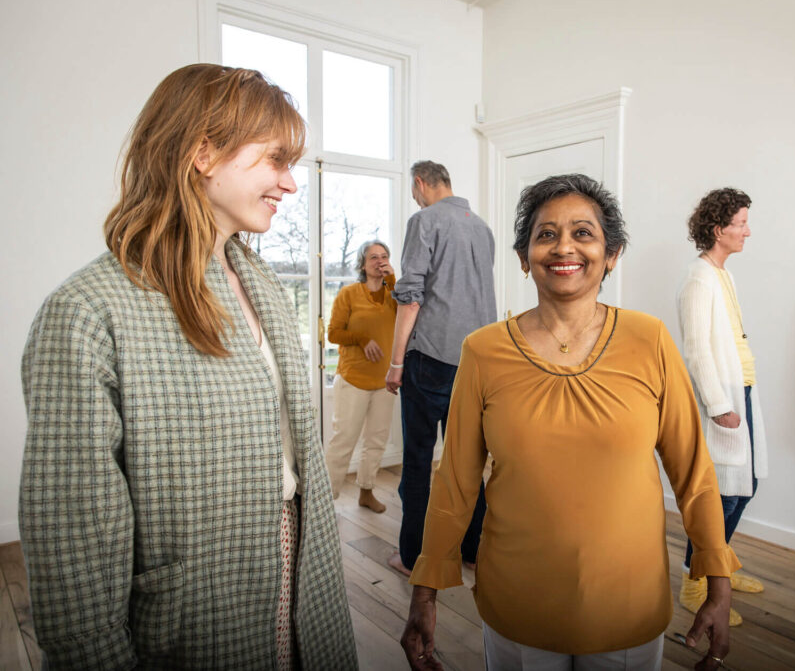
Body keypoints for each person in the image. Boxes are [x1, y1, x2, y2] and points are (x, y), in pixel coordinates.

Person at [18, 64, 358, 670]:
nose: (290, 182)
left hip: (299, 570)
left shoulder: (264, 286)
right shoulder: (88, 313)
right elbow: (73, 543)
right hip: (193, 612)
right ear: (203, 152)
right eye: (276, 160)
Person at [399, 174, 740, 671]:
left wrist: (718, 581)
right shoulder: (483, 350)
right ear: (522, 256)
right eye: (545, 234)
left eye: (583, 233)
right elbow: (454, 482)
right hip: (518, 600)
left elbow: (694, 475)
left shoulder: (650, 339)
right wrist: (424, 592)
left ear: (613, 253)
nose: (564, 247)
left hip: (627, 600)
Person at [384, 160, 496, 576]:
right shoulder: (481, 228)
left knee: (416, 461)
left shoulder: (424, 220)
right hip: (476, 361)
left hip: (430, 359)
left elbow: (411, 296)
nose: (415, 198)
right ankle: (473, 550)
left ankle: (412, 556)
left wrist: (396, 363)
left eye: (414, 192)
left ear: (420, 183)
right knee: (467, 463)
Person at [676, 187, 769, 627]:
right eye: (741, 223)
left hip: (742, 390)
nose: (748, 231)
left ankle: (721, 566)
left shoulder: (723, 275)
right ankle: (696, 581)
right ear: (719, 230)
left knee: (744, 484)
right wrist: (717, 405)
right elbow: (696, 350)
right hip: (723, 399)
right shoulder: (698, 279)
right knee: (721, 495)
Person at [326, 239, 398, 512]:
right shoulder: (349, 294)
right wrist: (362, 338)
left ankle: (366, 491)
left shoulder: (395, 295)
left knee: (376, 441)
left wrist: (393, 281)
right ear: (362, 264)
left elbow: (407, 315)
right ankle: (326, 500)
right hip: (353, 379)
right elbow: (334, 332)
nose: (380, 261)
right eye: (373, 257)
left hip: (385, 381)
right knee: (343, 441)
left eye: (384, 256)